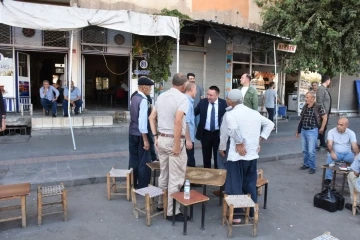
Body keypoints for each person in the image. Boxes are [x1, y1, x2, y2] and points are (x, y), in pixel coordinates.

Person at [224, 89, 274, 223]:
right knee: (250, 184)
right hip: (252, 155)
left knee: (236, 184)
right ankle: (251, 212)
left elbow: (234, 129)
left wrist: (239, 143)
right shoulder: (254, 113)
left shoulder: (231, 114)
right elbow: (270, 124)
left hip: (237, 156)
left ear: (229, 101)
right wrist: (259, 139)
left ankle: (237, 215)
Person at [149, 73, 189, 222]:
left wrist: (155, 137)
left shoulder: (161, 96)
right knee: (176, 177)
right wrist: (178, 145)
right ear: (184, 86)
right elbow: (178, 122)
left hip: (162, 139)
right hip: (174, 140)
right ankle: (172, 211)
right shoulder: (182, 98)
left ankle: (161, 203)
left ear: (172, 82)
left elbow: (151, 117)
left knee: (164, 174)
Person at [129, 77, 154, 189]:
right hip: (141, 134)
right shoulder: (143, 100)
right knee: (144, 161)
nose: (150, 90)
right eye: (149, 88)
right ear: (144, 87)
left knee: (133, 159)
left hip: (132, 132)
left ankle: (132, 183)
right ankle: (143, 186)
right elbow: (142, 122)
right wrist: (145, 139)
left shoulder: (134, 97)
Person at [194, 86, 227, 169]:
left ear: (217, 95)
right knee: (206, 157)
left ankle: (217, 177)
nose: (208, 97)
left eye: (211, 95)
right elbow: (193, 113)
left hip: (218, 134)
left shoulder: (223, 103)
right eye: (208, 94)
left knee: (218, 158)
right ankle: (207, 176)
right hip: (205, 134)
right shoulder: (202, 102)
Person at [296, 91, 327, 174]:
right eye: (306, 97)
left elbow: (324, 117)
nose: (306, 99)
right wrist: (298, 130)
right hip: (304, 130)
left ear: (313, 98)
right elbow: (301, 118)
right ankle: (306, 164)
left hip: (312, 131)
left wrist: (322, 128)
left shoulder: (318, 106)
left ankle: (312, 166)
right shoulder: (305, 106)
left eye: (307, 97)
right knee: (304, 150)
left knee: (311, 151)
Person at [324, 118, 358, 185]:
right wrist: (332, 152)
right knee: (329, 157)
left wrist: (357, 154)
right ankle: (328, 178)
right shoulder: (331, 131)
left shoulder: (351, 133)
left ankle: (351, 179)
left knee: (357, 160)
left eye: (341, 125)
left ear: (346, 125)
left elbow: (354, 146)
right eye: (338, 124)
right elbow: (329, 144)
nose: (338, 126)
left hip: (347, 154)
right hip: (336, 154)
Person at [131, 90, 157, 162]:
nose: (150, 90)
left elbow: (151, 107)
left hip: (138, 128)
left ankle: (153, 157)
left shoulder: (144, 97)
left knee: (150, 141)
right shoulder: (140, 98)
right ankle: (151, 158)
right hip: (142, 128)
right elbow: (141, 119)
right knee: (143, 154)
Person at [316, 75, 332, 150]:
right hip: (323, 113)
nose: (330, 82)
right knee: (320, 127)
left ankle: (322, 142)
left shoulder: (325, 89)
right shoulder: (321, 88)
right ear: (327, 80)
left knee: (324, 127)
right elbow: (319, 101)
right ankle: (319, 142)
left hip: (326, 112)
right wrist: (323, 112)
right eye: (329, 80)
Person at [184, 82, 197, 167]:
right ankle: (188, 180)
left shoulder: (187, 101)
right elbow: (186, 122)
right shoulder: (187, 102)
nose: (196, 92)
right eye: (195, 90)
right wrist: (188, 140)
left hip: (186, 137)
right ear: (192, 89)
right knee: (190, 162)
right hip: (187, 138)